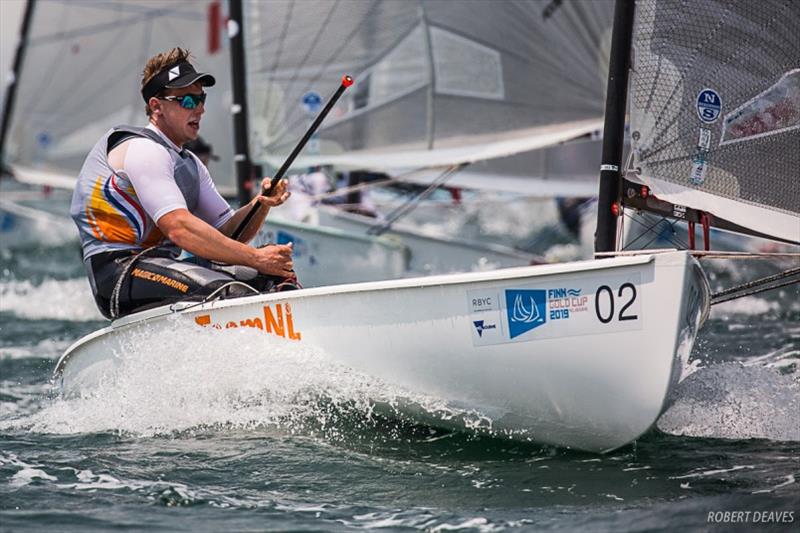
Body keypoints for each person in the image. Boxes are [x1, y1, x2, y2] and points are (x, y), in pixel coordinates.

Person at [70, 47, 294, 319]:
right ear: (156, 107)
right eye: (186, 101)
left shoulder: (189, 163)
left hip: (163, 266)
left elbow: (228, 235)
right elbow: (179, 229)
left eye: (201, 99)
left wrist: (260, 204)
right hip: (120, 274)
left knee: (275, 279)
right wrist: (257, 257)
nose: (198, 108)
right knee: (230, 291)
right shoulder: (143, 149)